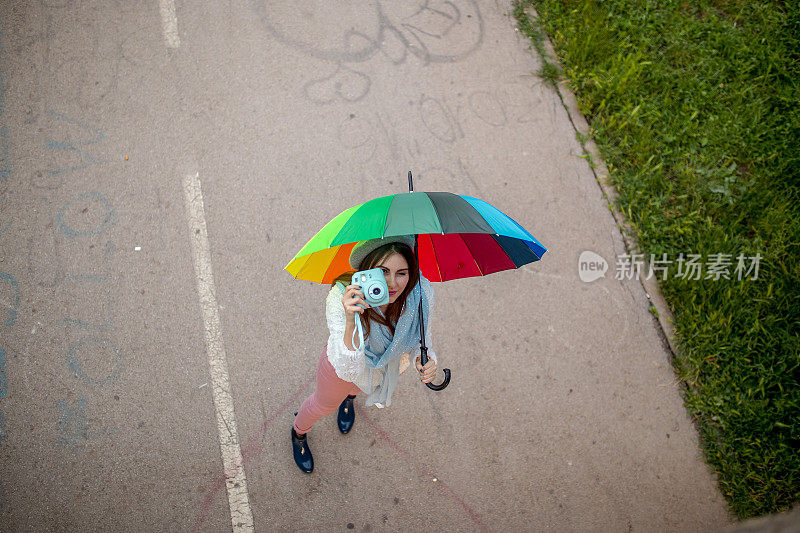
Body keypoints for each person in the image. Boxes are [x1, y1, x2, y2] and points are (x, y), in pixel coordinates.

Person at [290, 235, 439, 473]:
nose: (392, 284)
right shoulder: (342, 297)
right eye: (383, 272)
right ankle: (299, 431)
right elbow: (348, 367)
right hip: (341, 367)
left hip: (380, 368)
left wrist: (426, 360)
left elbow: (422, 338)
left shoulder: (420, 293)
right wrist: (351, 319)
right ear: (367, 270)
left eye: (402, 272)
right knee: (323, 405)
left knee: (356, 389)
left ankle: (349, 400)